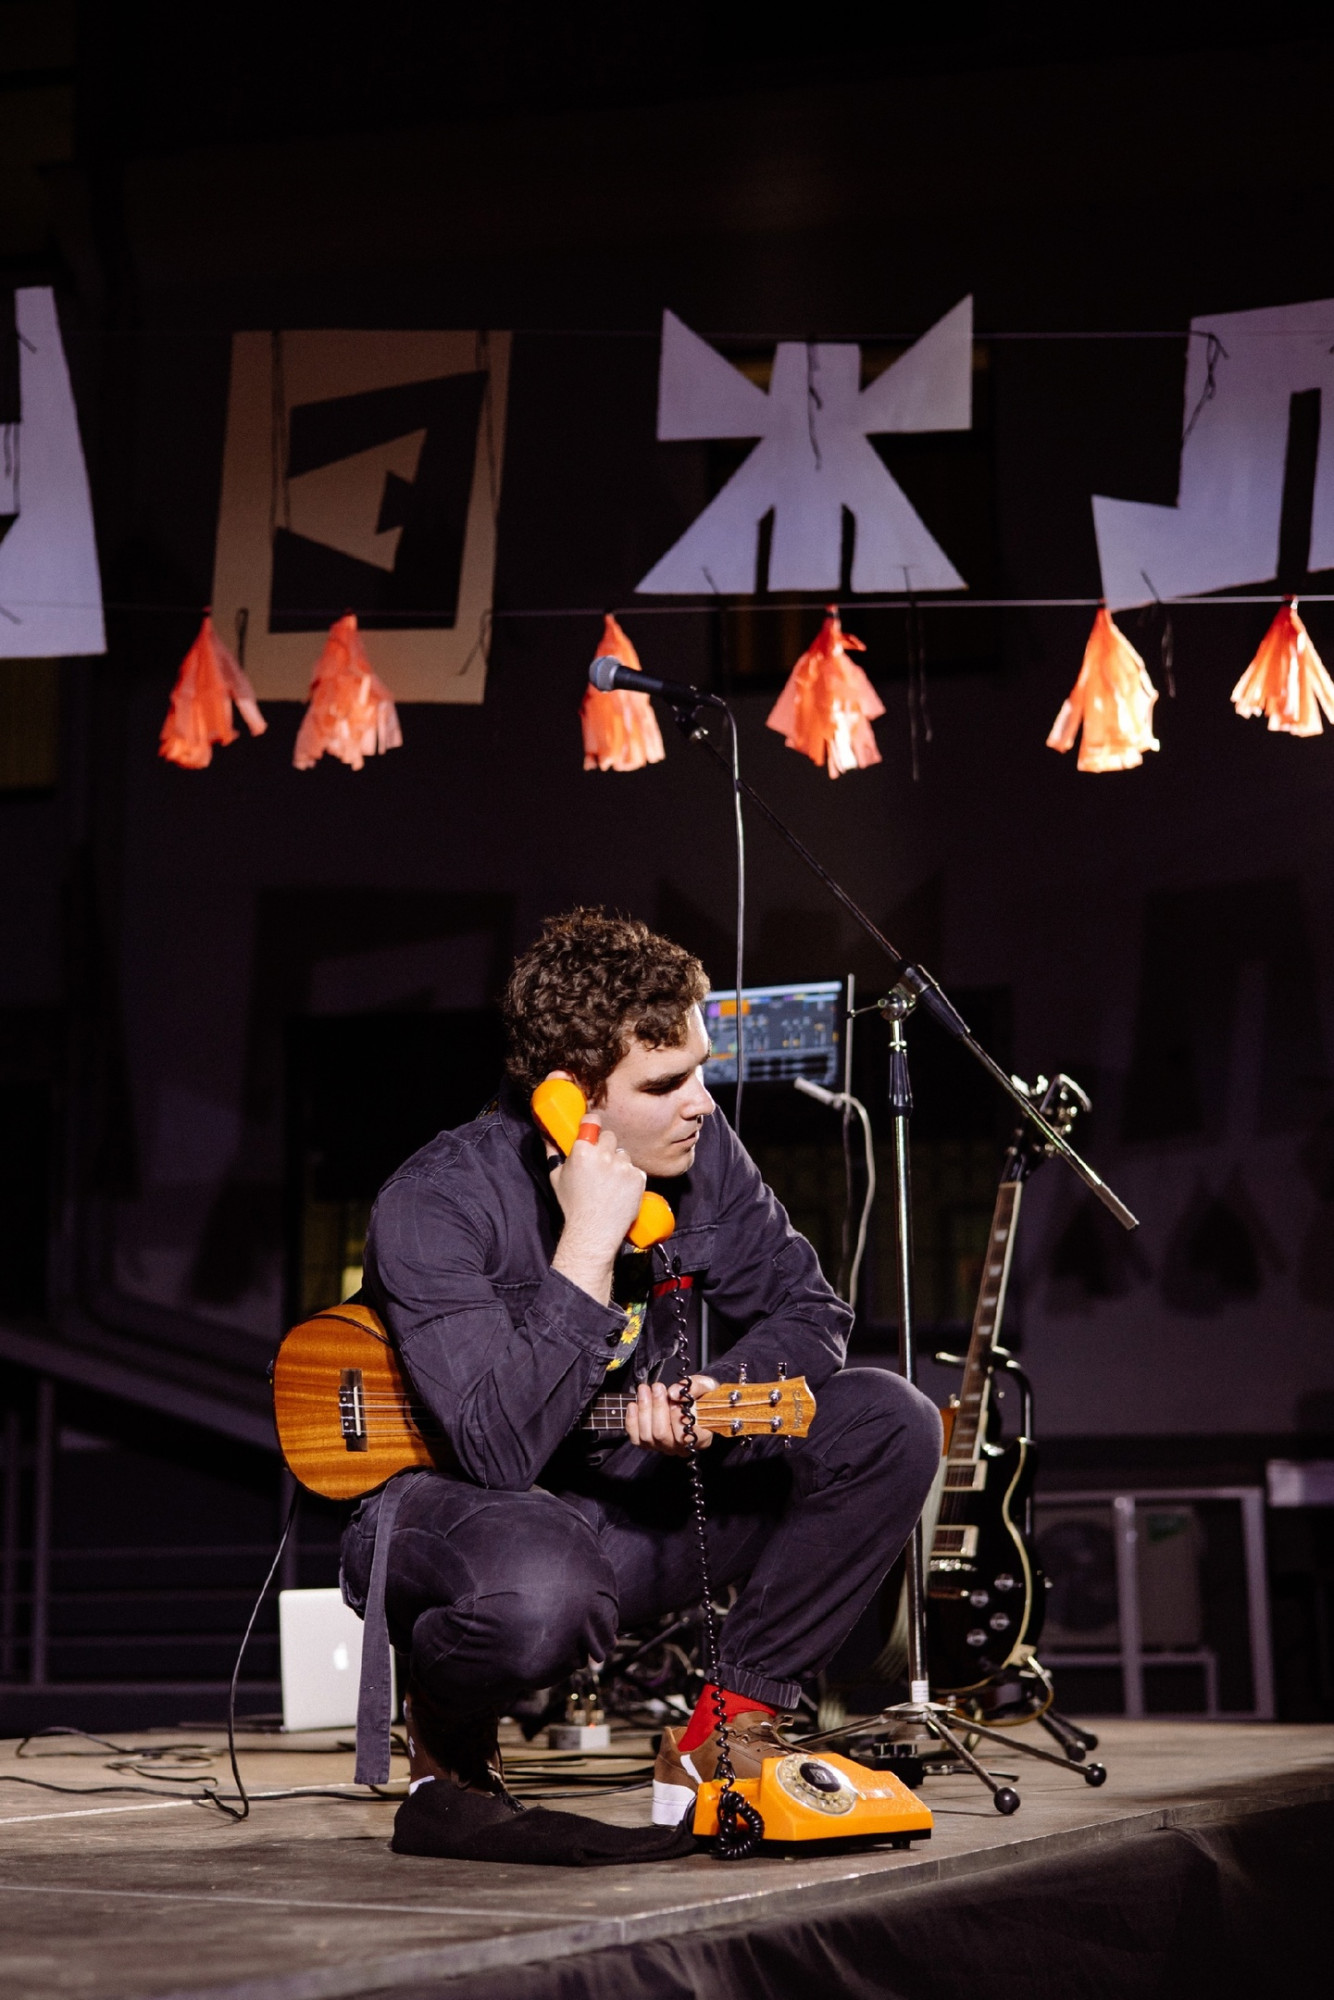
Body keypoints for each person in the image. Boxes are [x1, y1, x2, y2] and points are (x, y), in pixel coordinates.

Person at [341, 909, 941, 1824]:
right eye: (666, 1083)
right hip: (469, 1518)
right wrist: (589, 1240)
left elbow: (811, 1309)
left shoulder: (701, 1151)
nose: (702, 1101)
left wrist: (720, 1391)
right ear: (569, 1099)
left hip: (628, 1491)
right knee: (542, 1593)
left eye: (700, 1068)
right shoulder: (436, 1203)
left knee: (889, 1421)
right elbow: (496, 1450)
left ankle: (729, 1728)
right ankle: (448, 1715)